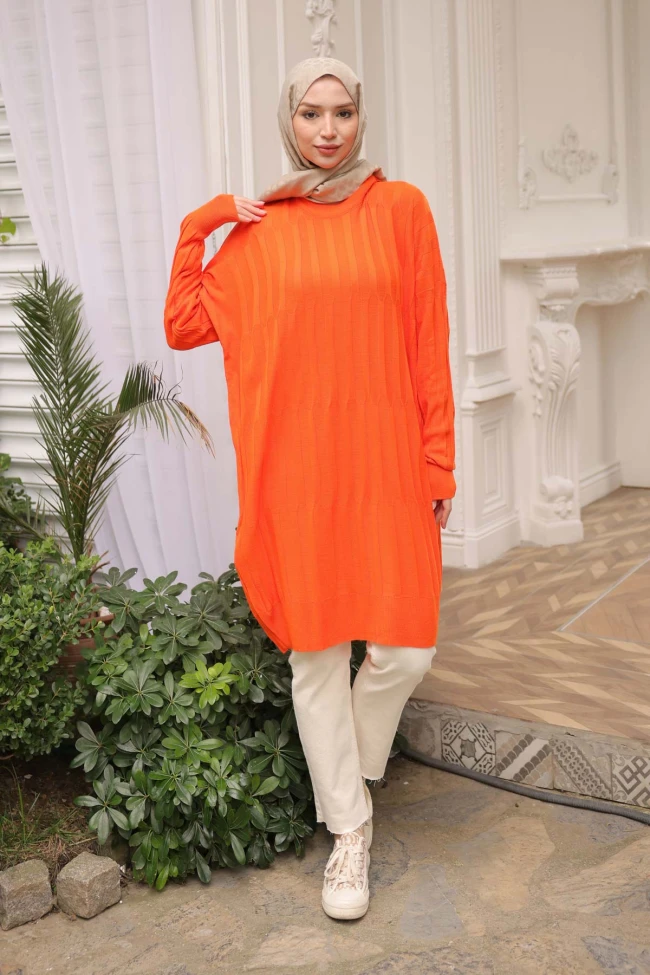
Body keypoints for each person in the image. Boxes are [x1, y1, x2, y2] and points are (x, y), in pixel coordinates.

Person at [164, 56, 456, 921]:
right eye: (310, 114)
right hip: (300, 472)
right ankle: (349, 833)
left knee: (406, 650)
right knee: (318, 654)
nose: (328, 130)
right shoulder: (262, 231)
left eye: (342, 113)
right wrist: (205, 219)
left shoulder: (401, 210)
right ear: (287, 121)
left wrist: (438, 460)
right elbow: (183, 322)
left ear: (361, 117)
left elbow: (428, 339)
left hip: (385, 462)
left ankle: (348, 776)